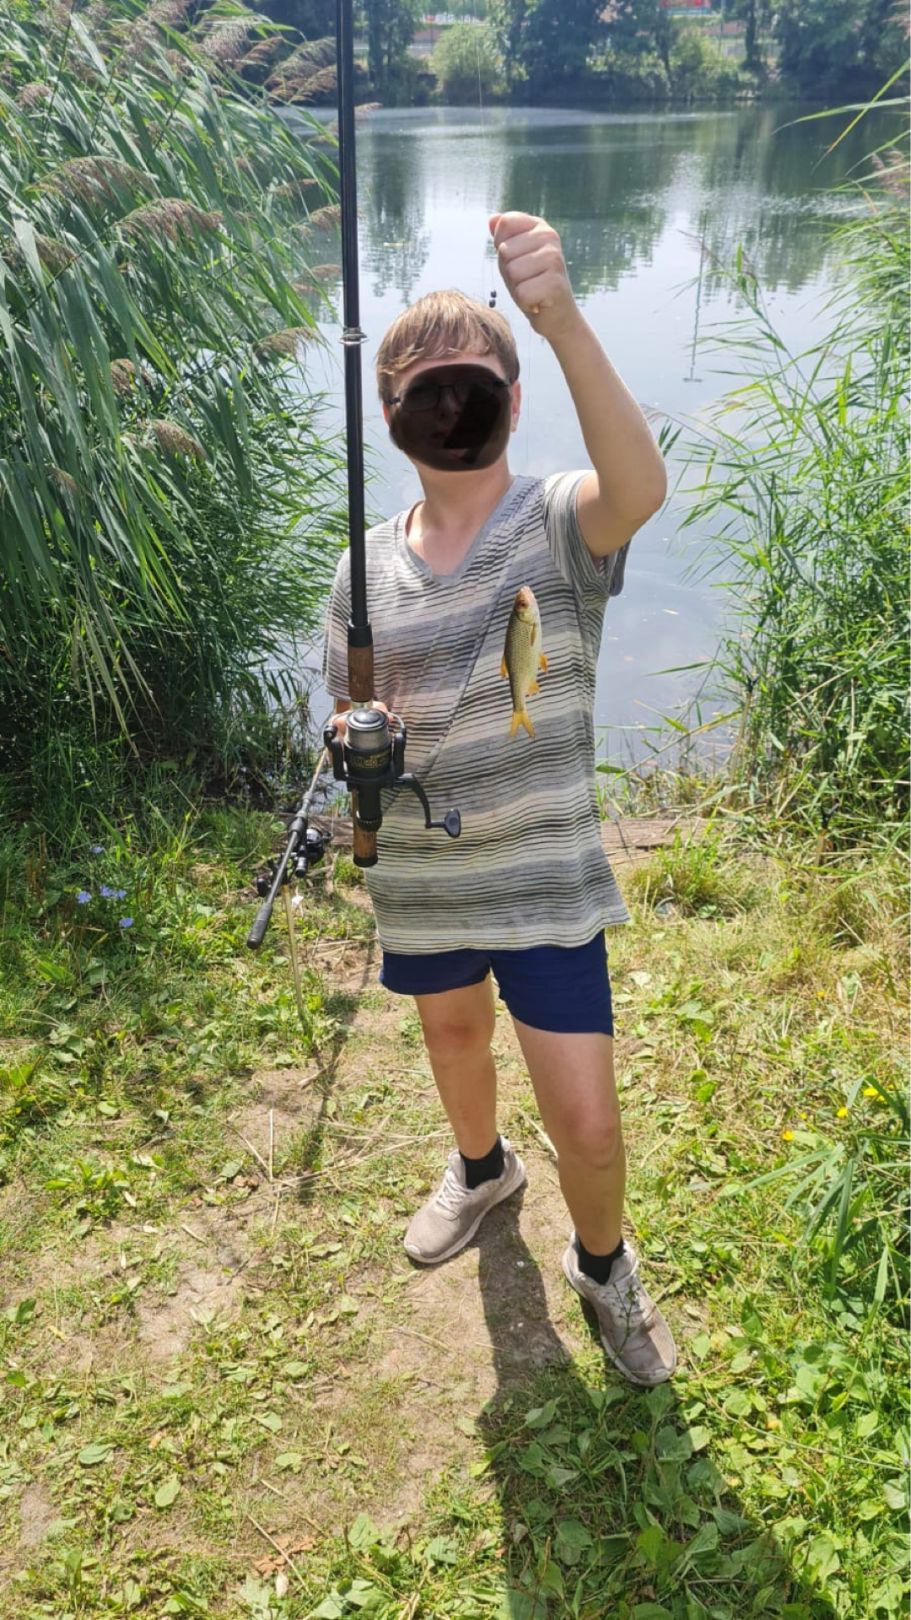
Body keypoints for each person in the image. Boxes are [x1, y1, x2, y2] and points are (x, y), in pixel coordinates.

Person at [322, 211, 676, 1387]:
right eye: (422, 390)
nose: (448, 405)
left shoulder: (560, 522)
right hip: (424, 883)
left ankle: (602, 1262)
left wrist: (560, 317)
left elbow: (643, 484)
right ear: (390, 416)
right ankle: (481, 1171)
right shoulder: (360, 569)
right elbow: (349, 706)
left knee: (588, 1123)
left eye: (471, 383)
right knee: (452, 1037)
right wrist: (350, 750)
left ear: (508, 401)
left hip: (546, 881)